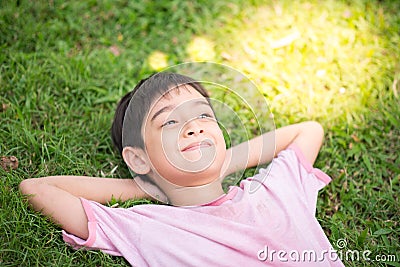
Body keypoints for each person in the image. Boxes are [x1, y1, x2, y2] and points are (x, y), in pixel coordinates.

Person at [19, 72, 344, 266]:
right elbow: (37, 189)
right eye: (170, 122)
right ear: (139, 158)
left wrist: (223, 162)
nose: (194, 127)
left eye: (203, 116)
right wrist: (146, 185)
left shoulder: (276, 190)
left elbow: (309, 130)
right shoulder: (149, 227)